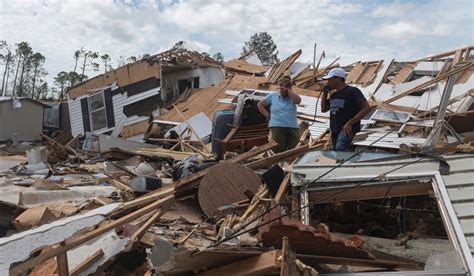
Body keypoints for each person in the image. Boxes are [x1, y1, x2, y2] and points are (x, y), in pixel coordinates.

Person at [320, 68, 371, 151]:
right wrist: (325, 93)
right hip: (335, 130)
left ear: (338, 78)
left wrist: (350, 123)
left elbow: (366, 108)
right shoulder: (334, 95)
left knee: (340, 149)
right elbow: (323, 109)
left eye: (330, 79)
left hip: (346, 129)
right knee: (338, 152)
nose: (328, 82)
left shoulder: (352, 91)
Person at [257, 77, 302, 153]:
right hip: (277, 126)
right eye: (281, 89)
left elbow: (298, 101)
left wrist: (289, 91)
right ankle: (278, 164)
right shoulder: (273, 96)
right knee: (278, 149)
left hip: (292, 126)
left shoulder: (292, 96)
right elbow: (260, 104)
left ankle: (291, 163)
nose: (282, 91)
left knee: (295, 148)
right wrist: (267, 115)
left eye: (284, 89)